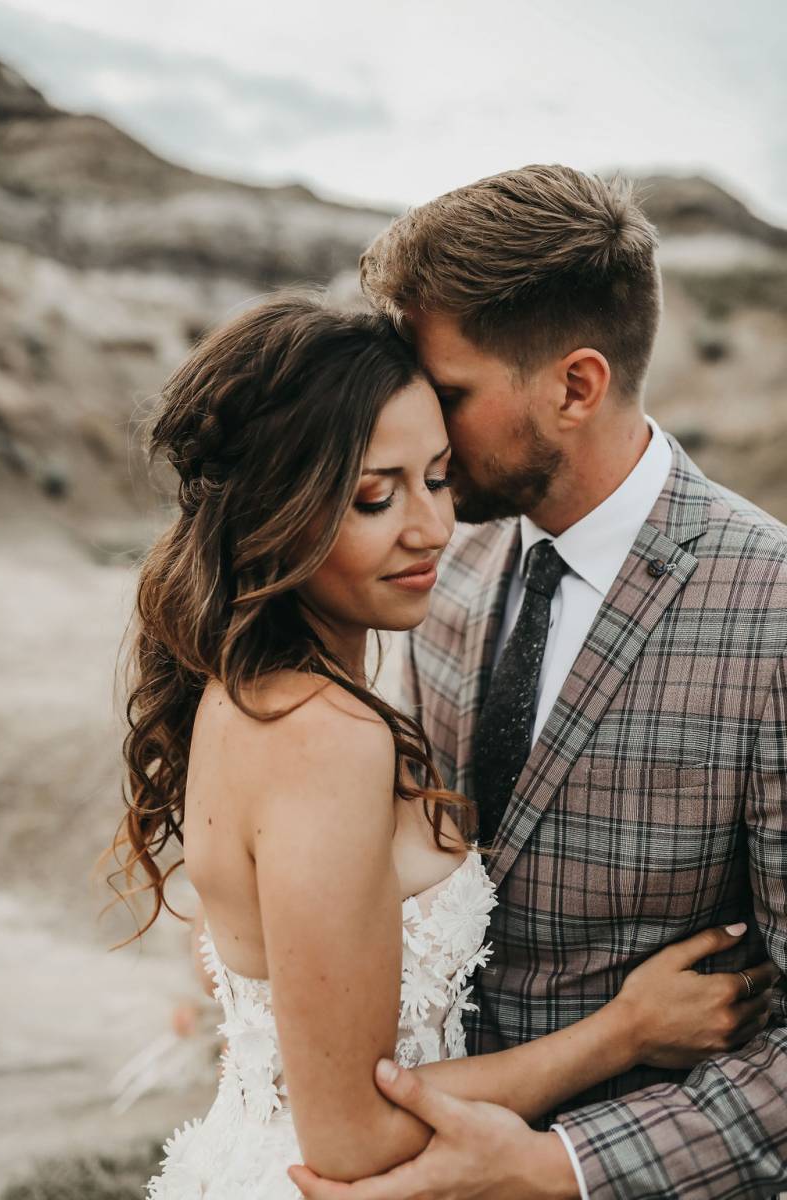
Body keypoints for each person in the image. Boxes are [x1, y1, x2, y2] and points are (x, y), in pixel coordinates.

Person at [111, 295, 771, 1200]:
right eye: (376, 496)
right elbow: (351, 1132)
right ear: (279, 510)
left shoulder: (251, 695)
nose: (431, 530)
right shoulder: (321, 738)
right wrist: (623, 1034)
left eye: (438, 476)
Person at [290, 166, 787, 1200]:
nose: (419, 424)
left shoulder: (771, 611)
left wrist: (562, 1168)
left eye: (451, 394)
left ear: (574, 386)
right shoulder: (440, 569)